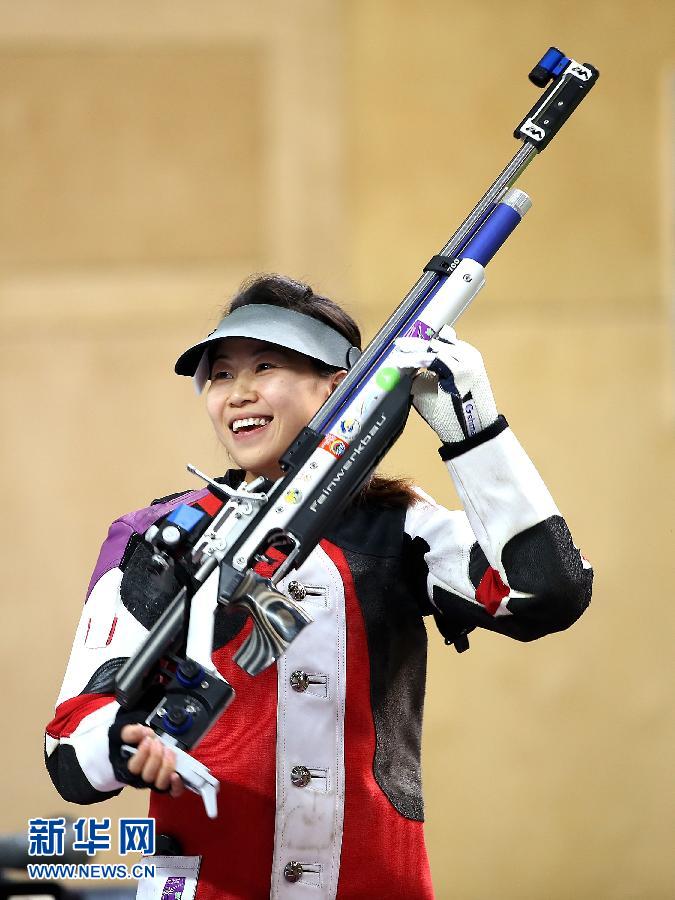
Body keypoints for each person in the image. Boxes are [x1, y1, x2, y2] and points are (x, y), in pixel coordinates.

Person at [45, 274, 592, 900]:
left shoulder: (402, 525)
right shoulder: (157, 535)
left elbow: (546, 593)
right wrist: (124, 743)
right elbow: (68, 745)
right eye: (220, 374)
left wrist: (473, 428)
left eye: (267, 366)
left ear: (338, 388)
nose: (239, 393)